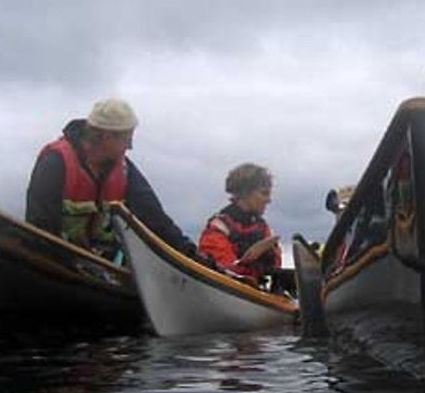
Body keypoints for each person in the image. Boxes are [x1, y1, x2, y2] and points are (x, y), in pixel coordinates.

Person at [26, 98, 195, 260]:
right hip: (56, 263)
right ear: (106, 137)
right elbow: (41, 227)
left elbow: (157, 221)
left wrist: (195, 257)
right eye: (126, 138)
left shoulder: (124, 170)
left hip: (100, 266)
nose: (130, 146)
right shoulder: (55, 162)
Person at [198, 163, 284, 287]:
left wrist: (269, 262)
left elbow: (276, 265)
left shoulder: (263, 229)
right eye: (264, 193)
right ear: (245, 193)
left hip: (257, 294)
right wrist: (247, 262)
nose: (268, 200)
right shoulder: (219, 227)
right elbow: (221, 271)